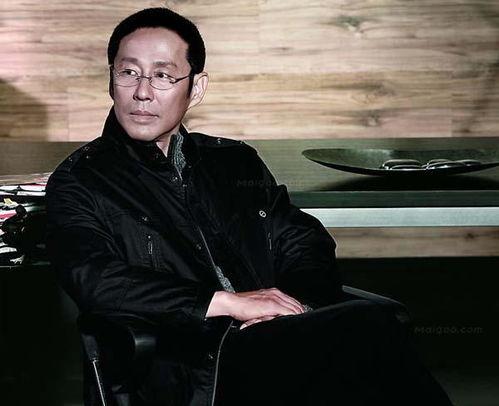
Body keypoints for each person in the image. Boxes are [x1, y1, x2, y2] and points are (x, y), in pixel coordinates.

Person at [46, 7, 453, 406]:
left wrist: (291, 306)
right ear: (111, 80)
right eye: (128, 72)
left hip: (275, 343)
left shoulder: (233, 163)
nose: (142, 92)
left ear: (196, 88)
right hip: (196, 364)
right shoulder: (81, 179)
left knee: (366, 338)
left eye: (163, 76)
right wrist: (226, 303)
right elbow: (94, 277)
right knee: (368, 329)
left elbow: (303, 240)